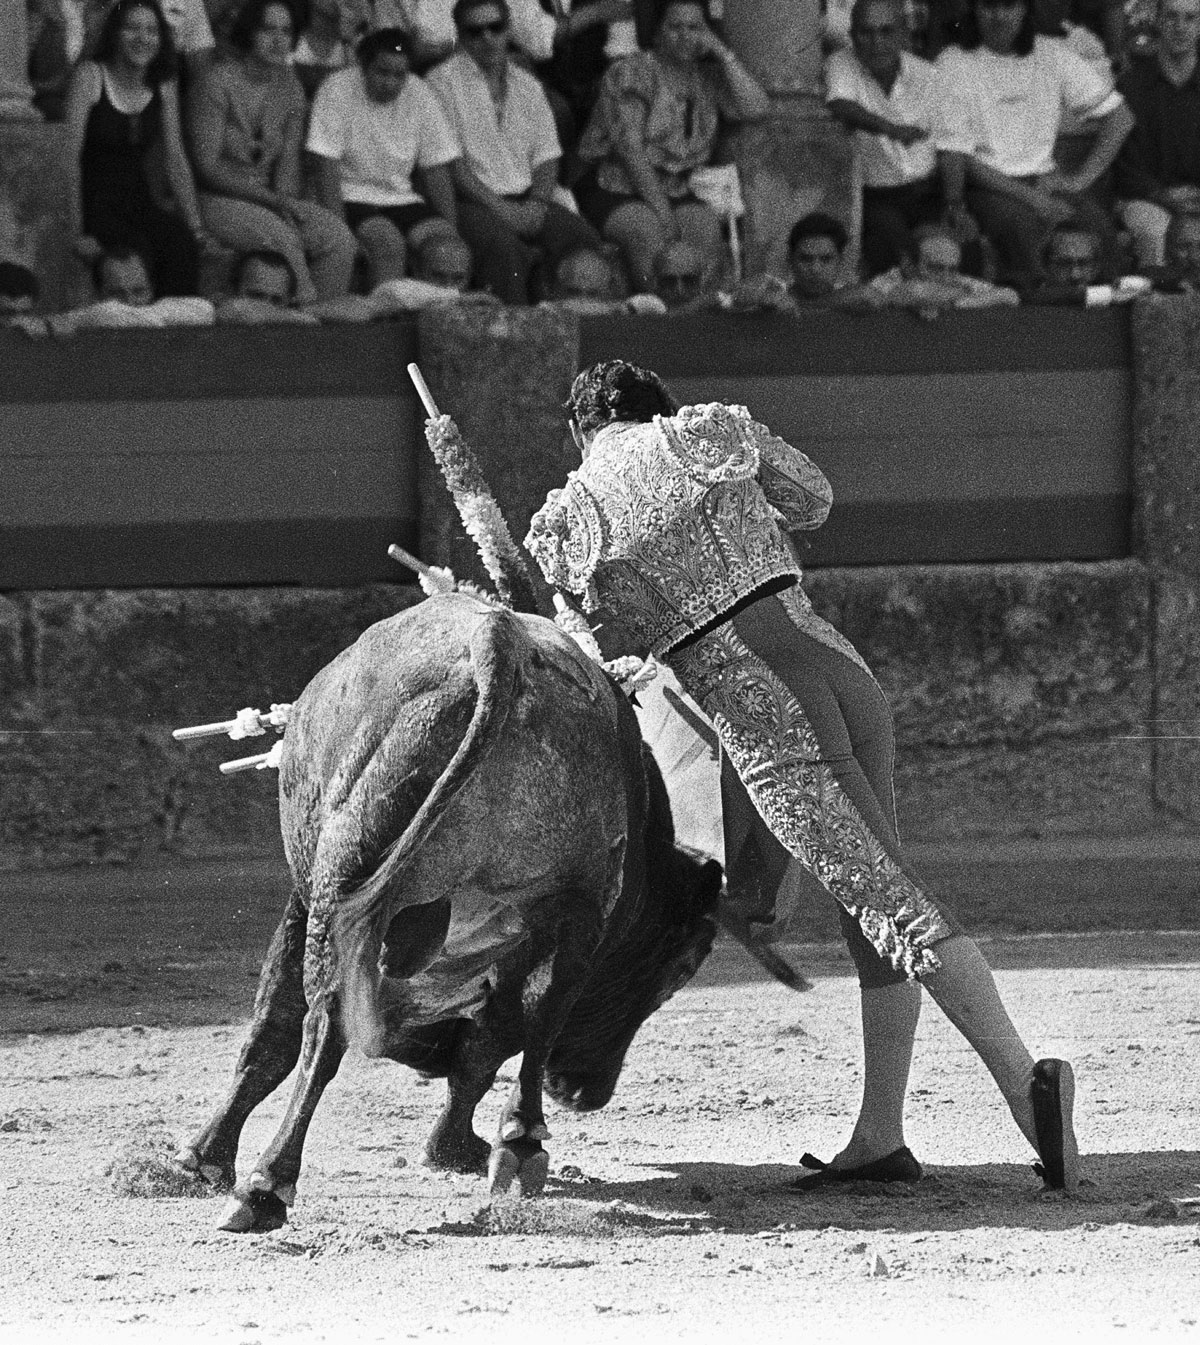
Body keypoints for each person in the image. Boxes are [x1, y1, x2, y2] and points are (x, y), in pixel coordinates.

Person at [526, 359, 1081, 1193]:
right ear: (657, 408)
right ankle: (879, 1135)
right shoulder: (712, 430)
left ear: (579, 430)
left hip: (762, 701)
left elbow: (596, 659)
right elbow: (813, 500)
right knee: (873, 894)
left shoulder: (572, 516)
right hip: (837, 666)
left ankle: (1022, 1084)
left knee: (888, 896)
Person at [573, 0, 770, 291]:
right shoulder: (632, 72)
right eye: (675, 27)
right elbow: (631, 151)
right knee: (647, 231)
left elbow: (758, 108)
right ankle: (655, 320)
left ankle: (698, 321)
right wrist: (663, 212)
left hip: (676, 188)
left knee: (704, 228)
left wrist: (721, 51)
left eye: (695, 27)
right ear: (656, 32)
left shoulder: (707, 78)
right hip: (615, 185)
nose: (685, 36)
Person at [935, 0, 1134, 285]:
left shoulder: (1051, 53)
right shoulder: (953, 61)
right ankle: (1042, 316)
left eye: (1009, 6)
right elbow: (958, 156)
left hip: (1045, 180)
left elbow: (1121, 117)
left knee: (1096, 226)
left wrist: (1078, 180)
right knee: (1025, 229)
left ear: (1025, 9)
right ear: (975, 10)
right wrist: (1035, 200)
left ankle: (1105, 311)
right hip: (988, 187)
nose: (999, 15)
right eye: (989, 7)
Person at [426, 0, 603, 304]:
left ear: (508, 30)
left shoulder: (528, 85)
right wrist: (504, 211)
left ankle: (574, 327)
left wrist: (537, 202)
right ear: (461, 35)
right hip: (472, 202)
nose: (487, 38)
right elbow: (453, 168)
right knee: (504, 251)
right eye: (475, 31)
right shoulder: (441, 83)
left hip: (527, 197)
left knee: (582, 240)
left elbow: (548, 157)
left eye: (495, 27)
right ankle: (513, 339)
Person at [188, 0, 358, 304]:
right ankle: (302, 321)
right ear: (249, 33)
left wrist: (288, 205)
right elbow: (207, 168)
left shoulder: (290, 87)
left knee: (337, 237)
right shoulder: (216, 80)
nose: (278, 39)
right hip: (217, 198)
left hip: (270, 197)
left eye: (286, 31)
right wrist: (273, 202)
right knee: (282, 240)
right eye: (268, 29)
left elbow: (288, 164)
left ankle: (329, 320)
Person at [62, 0, 209, 298]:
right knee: (137, 254)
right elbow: (69, 161)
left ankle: (176, 335)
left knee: (180, 243)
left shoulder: (164, 82)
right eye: (132, 28)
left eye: (151, 31)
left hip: (138, 200)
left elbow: (175, 158)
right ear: (115, 33)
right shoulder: (90, 76)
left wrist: (196, 227)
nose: (142, 38)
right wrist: (78, 233)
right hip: (96, 206)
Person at [307, 27, 463, 289]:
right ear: (363, 66)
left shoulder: (421, 93)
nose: (390, 83)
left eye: (399, 75)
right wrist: (342, 231)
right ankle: (388, 319)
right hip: (350, 195)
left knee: (446, 247)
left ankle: (442, 321)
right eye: (382, 72)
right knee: (387, 242)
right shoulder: (336, 89)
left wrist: (454, 232)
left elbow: (435, 169)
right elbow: (325, 166)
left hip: (401, 198)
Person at [825, 0, 965, 277]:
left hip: (927, 193)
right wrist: (892, 130)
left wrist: (954, 203)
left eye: (887, 31)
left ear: (904, 34)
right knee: (895, 251)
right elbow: (842, 105)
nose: (876, 42)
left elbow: (952, 145)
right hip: (877, 196)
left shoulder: (929, 77)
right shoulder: (841, 64)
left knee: (956, 251)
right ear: (852, 35)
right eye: (866, 32)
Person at [1113, 0, 1200, 269]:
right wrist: (1162, 195)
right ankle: (1157, 306)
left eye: (1190, 18)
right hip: (1145, 198)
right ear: (1158, 20)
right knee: (1155, 232)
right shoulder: (1130, 85)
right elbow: (1122, 162)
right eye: (1172, 17)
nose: (1180, 27)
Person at [837, 223, 1020, 309]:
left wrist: (952, 302)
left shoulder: (956, 280)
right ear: (908, 265)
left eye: (952, 269)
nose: (946, 277)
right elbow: (910, 292)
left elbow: (1010, 296)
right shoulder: (888, 281)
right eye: (936, 268)